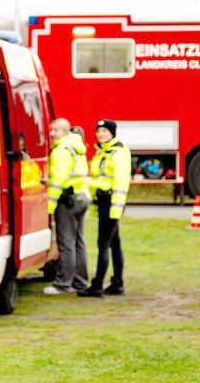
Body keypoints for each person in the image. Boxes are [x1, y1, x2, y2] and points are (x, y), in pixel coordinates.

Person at [79, 119, 131, 297]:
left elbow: (121, 181)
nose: (101, 134)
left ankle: (97, 285)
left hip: (111, 202)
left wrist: (116, 209)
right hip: (103, 201)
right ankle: (117, 283)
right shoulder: (103, 152)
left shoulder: (117, 153)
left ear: (112, 133)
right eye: (99, 131)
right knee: (114, 243)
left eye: (105, 131)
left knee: (103, 244)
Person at [42, 118, 90, 295]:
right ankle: (81, 282)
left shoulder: (61, 150)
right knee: (79, 242)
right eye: (51, 130)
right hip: (80, 197)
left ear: (65, 131)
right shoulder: (76, 146)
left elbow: (58, 180)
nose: (52, 134)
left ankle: (63, 284)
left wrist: (50, 204)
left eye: (56, 130)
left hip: (67, 200)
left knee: (66, 243)